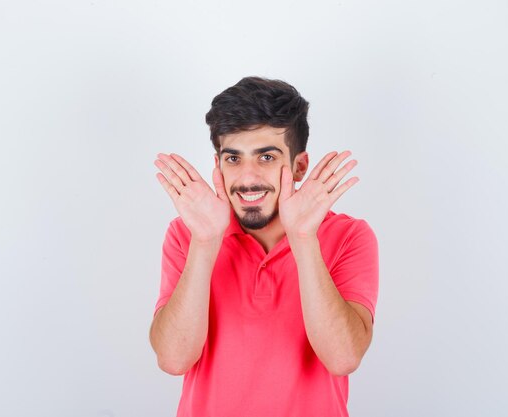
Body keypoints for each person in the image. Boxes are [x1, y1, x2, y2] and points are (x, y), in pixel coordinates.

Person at [149, 76, 379, 417]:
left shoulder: (349, 235)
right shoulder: (189, 234)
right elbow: (173, 358)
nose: (247, 177)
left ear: (299, 165)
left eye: (267, 157)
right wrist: (205, 242)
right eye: (233, 159)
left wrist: (303, 238)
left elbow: (343, 357)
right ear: (218, 166)